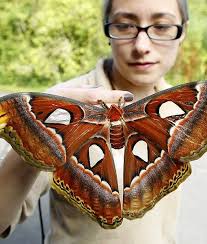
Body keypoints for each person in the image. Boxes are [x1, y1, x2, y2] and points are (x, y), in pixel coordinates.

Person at [0, 0, 189, 243]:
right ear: (107, 30)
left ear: (182, 30)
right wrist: (36, 140)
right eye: (124, 25)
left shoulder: (185, 106)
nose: (142, 46)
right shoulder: (63, 102)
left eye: (161, 26)